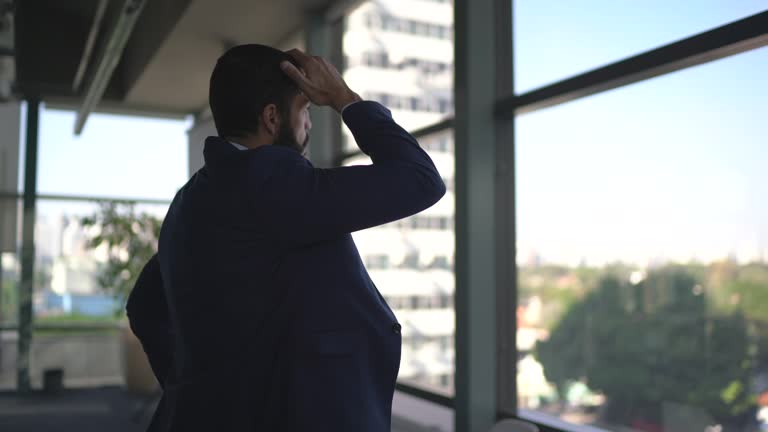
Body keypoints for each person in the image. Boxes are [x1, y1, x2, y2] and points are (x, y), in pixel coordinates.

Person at [126, 44, 445, 432]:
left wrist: (193, 386)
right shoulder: (269, 179)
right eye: (305, 110)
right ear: (272, 117)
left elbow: (145, 304)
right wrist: (345, 99)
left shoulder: (193, 197)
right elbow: (420, 180)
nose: (309, 124)